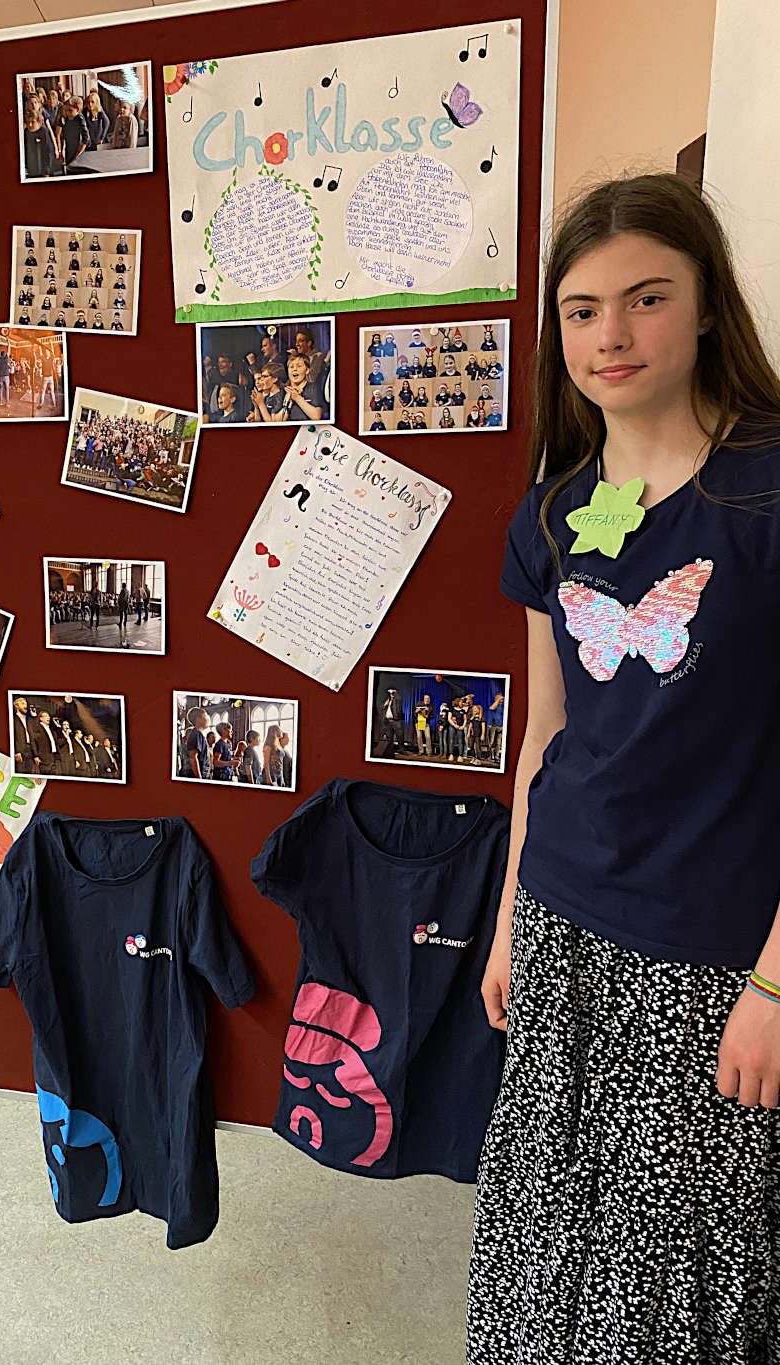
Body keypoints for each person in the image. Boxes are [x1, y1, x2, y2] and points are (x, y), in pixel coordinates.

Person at [467, 172, 780, 1364]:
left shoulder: (764, 493)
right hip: (562, 923)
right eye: (582, 309)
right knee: (544, 1242)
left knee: (674, 1279)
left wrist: (774, 987)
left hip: (713, 957)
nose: (611, 334)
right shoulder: (551, 515)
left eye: (646, 298)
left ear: (704, 308)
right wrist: (507, 919)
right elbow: (544, 734)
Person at [183, 707, 211, 779]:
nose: (208, 718)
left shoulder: (199, 734)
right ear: (198, 719)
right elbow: (193, 757)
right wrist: (199, 778)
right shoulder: (196, 734)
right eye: (205, 715)